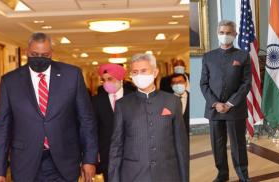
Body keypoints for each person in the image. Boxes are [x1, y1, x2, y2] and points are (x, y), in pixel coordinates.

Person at [0, 32, 98, 182]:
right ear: (27, 51)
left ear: (52, 53)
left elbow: (86, 120)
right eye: (35, 54)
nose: (40, 58)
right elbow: (2, 127)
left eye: (45, 55)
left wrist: (89, 159)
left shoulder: (72, 75)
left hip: (65, 161)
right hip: (25, 162)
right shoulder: (10, 81)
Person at [108, 53, 189, 182]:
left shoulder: (172, 101)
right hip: (133, 175)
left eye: (144, 71)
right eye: (135, 72)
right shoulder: (123, 105)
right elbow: (116, 147)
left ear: (155, 72)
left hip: (168, 174)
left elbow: (181, 145)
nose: (139, 75)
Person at [200, 20, 251, 182]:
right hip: (214, 109)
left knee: (238, 145)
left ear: (235, 35)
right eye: (222, 32)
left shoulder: (243, 56)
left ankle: (243, 175)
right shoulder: (208, 57)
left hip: (235, 109)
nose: (225, 36)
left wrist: (229, 104)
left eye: (228, 33)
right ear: (217, 34)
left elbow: (246, 83)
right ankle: (222, 174)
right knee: (218, 145)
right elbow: (204, 83)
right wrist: (216, 103)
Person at [92, 63, 133, 182]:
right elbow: (93, 129)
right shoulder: (97, 101)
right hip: (107, 156)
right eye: (103, 80)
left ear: (121, 79)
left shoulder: (133, 98)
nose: (106, 82)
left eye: (110, 79)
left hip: (132, 155)